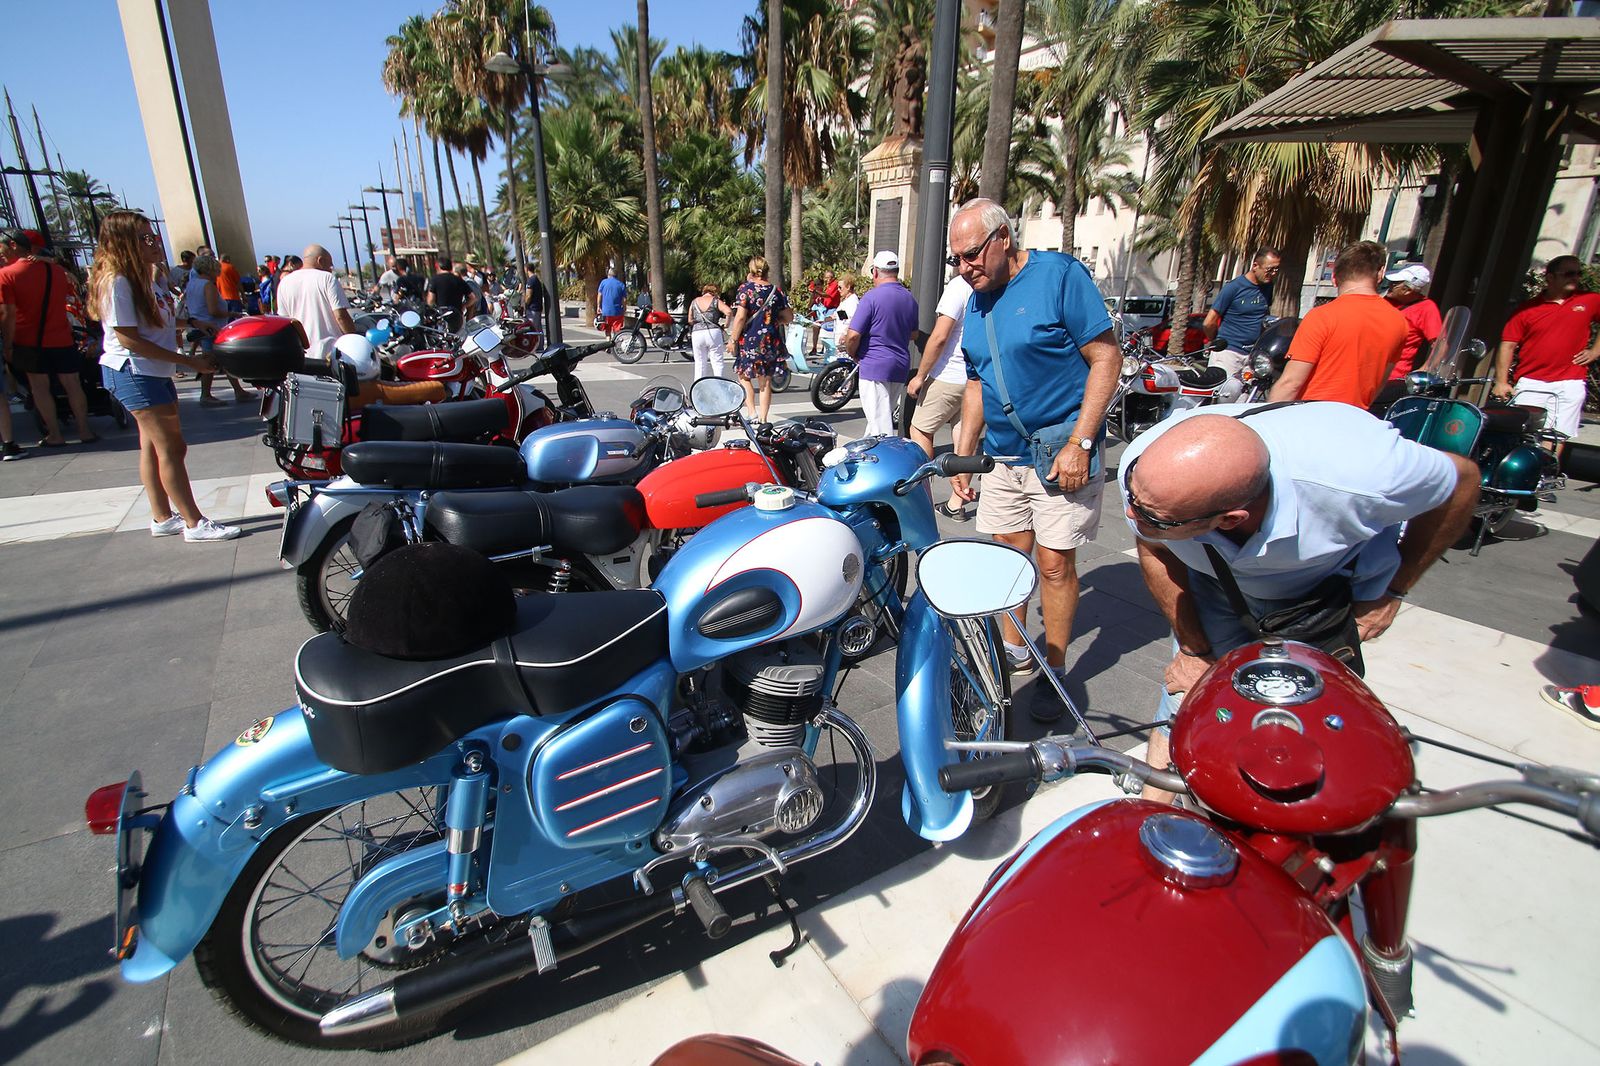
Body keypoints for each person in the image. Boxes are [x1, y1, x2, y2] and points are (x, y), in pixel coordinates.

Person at [1116, 403, 1478, 801]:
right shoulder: (1147, 472)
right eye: (1133, 498)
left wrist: (1394, 590)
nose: (1130, 514)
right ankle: (1153, 818)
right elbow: (1155, 546)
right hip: (1213, 582)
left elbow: (1462, 481)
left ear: (1231, 519)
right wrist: (1192, 647)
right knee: (1185, 698)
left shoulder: (1365, 475)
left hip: (1319, 595)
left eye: (1155, 516)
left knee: (1299, 720)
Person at [946, 198, 1121, 722]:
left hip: (1059, 453)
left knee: (1053, 563)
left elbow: (1106, 357)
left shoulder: (1060, 276)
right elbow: (977, 384)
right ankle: (1014, 649)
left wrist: (1081, 443)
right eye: (956, 260)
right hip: (1003, 458)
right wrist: (963, 457)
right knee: (1008, 558)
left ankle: (1056, 667)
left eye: (971, 255)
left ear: (1003, 238)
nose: (964, 268)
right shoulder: (974, 301)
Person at [89, 210, 240, 541]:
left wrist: (192, 324)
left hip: (149, 372)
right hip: (134, 371)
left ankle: (161, 516)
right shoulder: (118, 282)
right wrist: (189, 363)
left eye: (152, 234)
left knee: (153, 447)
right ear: (126, 243)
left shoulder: (143, 277)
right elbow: (128, 337)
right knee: (172, 447)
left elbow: (154, 323)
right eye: (145, 237)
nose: (154, 241)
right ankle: (194, 522)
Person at [1270, 240, 1405, 408]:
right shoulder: (1399, 322)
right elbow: (1379, 384)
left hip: (1310, 417)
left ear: (1334, 277)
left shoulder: (1322, 317)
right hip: (1355, 418)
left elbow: (1291, 383)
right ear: (1380, 273)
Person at [1495, 254, 1600, 461]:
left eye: (1578, 273)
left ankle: (1543, 477)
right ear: (1550, 277)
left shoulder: (1590, 300)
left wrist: (1595, 350)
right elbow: (1507, 345)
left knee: (1557, 434)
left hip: (1570, 381)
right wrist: (1501, 382)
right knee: (1522, 432)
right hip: (1532, 381)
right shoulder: (1528, 309)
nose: (1575, 278)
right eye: (1569, 273)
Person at [0, 228, 95, 447]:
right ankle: (85, 430)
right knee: (73, 384)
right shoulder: (55, 270)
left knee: (39, 387)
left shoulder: (6, 274)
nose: (1, 254)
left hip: (29, 340)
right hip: (61, 336)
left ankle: (55, 434)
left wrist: (8, 344)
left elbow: (8, 314)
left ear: (13, 245)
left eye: (2, 248)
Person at [907, 273, 974, 519]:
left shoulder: (958, 286)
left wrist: (920, 375)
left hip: (949, 373)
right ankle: (957, 503)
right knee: (964, 435)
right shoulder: (993, 285)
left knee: (920, 430)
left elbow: (940, 336)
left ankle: (923, 497)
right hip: (976, 376)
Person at [842, 251, 918, 438]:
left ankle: (887, 462)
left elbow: (853, 336)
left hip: (874, 364)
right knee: (879, 418)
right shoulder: (909, 299)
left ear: (875, 272)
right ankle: (866, 455)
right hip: (899, 366)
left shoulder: (871, 297)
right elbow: (914, 334)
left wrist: (853, 353)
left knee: (880, 427)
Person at [1203, 248, 1280, 400]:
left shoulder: (1268, 287)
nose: (1273, 274)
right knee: (1224, 399)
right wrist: (1218, 343)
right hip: (1229, 353)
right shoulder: (1234, 288)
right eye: (1269, 270)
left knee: (1245, 400)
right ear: (1255, 265)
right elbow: (1208, 322)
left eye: (1277, 270)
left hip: (1252, 355)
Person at [1369, 263, 1442, 414]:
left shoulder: (1426, 308)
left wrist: (1426, 369)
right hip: (1366, 370)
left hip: (1391, 378)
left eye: (1395, 284)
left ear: (1408, 289)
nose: (1390, 286)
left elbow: (1440, 343)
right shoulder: (1385, 301)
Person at [726, 256, 791, 423]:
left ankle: (752, 411)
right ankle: (763, 418)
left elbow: (740, 317)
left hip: (750, 340)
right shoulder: (776, 291)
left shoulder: (746, 289)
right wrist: (773, 319)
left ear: (751, 270)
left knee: (743, 376)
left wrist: (732, 339)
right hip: (770, 341)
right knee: (765, 381)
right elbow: (788, 316)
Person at [182, 254, 251, 406]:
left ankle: (237, 390)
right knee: (213, 360)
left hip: (201, 326)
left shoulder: (192, 284)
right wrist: (232, 314)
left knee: (219, 359)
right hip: (211, 327)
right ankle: (206, 394)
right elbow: (213, 310)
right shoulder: (207, 286)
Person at [275, 244, 358, 359]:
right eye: (330, 264)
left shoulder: (284, 283)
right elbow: (340, 316)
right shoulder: (327, 278)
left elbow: (285, 321)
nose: (331, 268)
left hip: (302, 355)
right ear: (320, 260)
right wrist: (355, 340)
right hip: (331, 352)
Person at [689, 282, 732, 380]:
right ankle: (718, 382)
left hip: (697, 333)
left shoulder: (695, 301)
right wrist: (726, 325)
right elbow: (728, 311)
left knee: (699, 362)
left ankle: (698, 386)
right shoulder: (716, 301)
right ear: (715, 292)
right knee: (717, 361)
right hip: (713, 332)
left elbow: (690, 320)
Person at [424, 256, 474, 330]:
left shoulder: (434, 280)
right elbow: (473, 298)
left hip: (442, 317)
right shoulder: (459, 280)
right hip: (458, 316)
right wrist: (464, 305)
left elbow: (430, 301)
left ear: (438, 267)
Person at [598, 267, 627, 335]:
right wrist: (624, 308)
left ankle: (608, 342)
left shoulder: (603, 282)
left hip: (606, 311)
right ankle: (615, 342)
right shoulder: (621, 284)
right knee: (617, 330)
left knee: (607, 330)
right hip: (617, 311)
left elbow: (599, 295)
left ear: (608, 274)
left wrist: (598, 306)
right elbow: (624, 299)